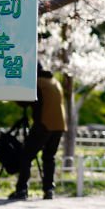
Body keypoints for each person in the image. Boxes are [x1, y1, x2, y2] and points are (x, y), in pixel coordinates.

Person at [9, 63, 67, 200]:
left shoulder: (37, 83)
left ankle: (22, 189)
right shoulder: (54, 81)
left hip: (44, 124)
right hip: (59, 125)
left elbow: (24, 102)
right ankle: (49, 190)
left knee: (26, 156)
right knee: (49, 157)